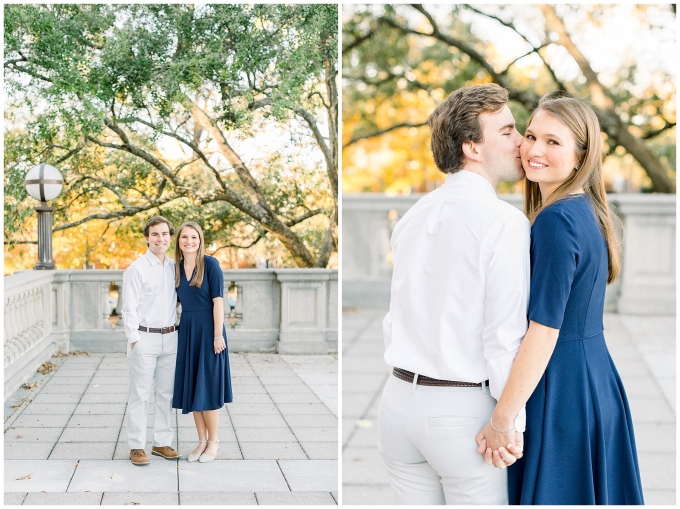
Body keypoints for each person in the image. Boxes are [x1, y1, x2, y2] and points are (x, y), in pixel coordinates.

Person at [476, 93, 644, 504]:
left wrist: (502, 419)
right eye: (531, 136)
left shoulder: (555, 221)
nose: (533, 149)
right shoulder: (584, 209)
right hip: (595, 378)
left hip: (561, 388)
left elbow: (544, 332)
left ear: (581, 155)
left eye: (553, 142)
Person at [378, 83, 526, 505]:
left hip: (397, 405)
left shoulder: (412, 216)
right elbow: (504, 338)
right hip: (461, 415)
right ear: (472, 148)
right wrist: (509, 421)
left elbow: (395, 319)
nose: (521, 142)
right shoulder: (504, 223)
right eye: (508, 131)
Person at [122, 215, 183, 466]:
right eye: (155, 234)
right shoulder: (136, 269)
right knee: (140, 393)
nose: (161, 239)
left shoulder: (174, 267)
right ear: (147, 238)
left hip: (171, 337)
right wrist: (135, 340)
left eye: (165, 234)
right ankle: (137, 446)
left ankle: (161, 443)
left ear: (171, 237)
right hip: (144, 338)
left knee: (165, 393)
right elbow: (129, 308)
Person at [172, 221, 233, 463]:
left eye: (194, 237)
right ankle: (200, 441)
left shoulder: (210, 264)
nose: (189, 241)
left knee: (207, 388)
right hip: (187, 330)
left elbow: (218, 301)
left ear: (200, 240)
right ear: (178, 241)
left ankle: (214, 443)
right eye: (184, 237)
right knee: (192, 387)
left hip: (209, 330)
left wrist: (217, 335)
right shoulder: (175, 268)